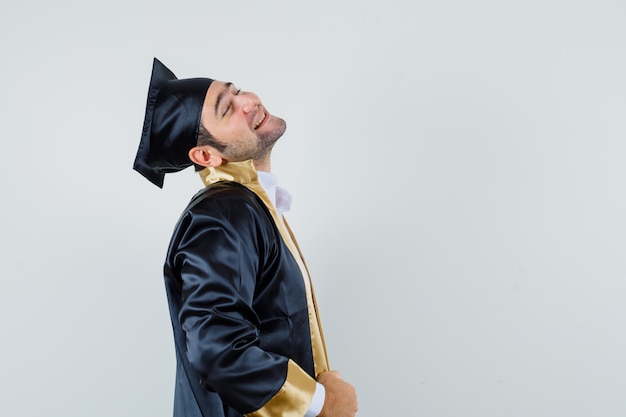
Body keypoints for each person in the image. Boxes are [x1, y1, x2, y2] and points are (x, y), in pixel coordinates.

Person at [134, 58, 358, 417]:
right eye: (228, 108)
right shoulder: (223, 215)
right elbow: (218, 348)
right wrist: (319, 402)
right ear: (207, 155)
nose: (249, 100)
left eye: (236, 91)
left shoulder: (249, 207)